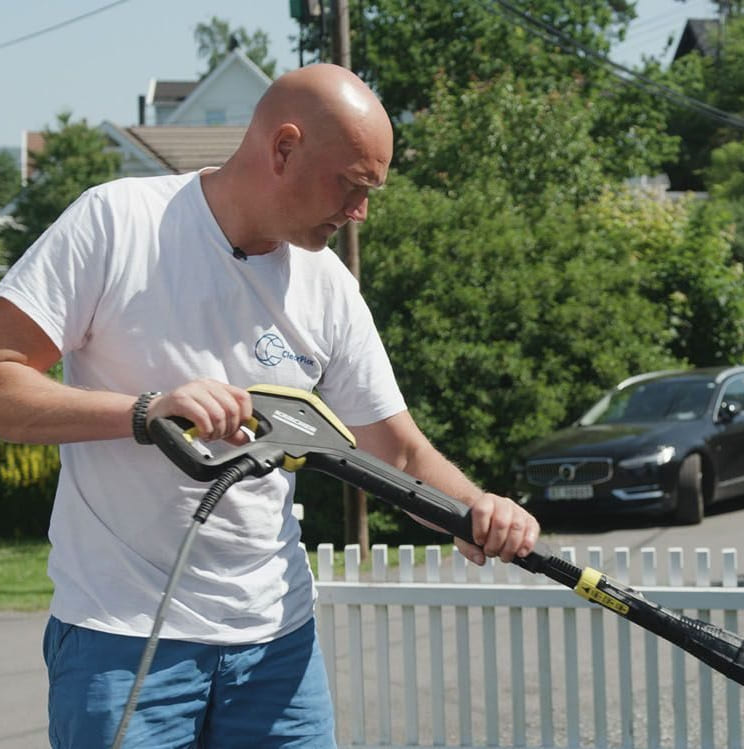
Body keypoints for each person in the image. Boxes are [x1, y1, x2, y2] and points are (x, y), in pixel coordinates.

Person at [0, 63, 540, 748]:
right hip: (122, 638)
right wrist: (144, 413)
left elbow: (397, 452)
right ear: (283, 148)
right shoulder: (118, 223)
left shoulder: (329, 288)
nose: (360, 211)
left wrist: (474, 510)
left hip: (278, 646)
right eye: (350, 183)